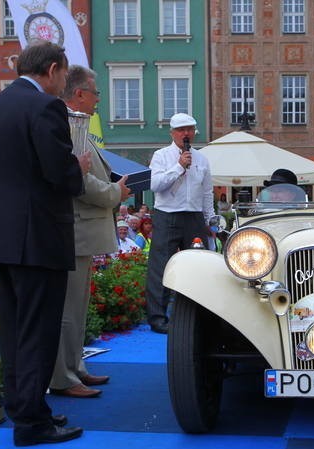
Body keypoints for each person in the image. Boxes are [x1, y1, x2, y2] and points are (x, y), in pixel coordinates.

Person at [0, 41, 88, 447]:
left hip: (0, 235)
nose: (63, 83)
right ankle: (32, 424)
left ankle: (24, 409)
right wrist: (77, 167)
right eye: (63, 75)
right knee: (38, 332)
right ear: (54, 69)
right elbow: (58, 173)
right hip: (37, 237)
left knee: (14, 329)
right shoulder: (45, 108)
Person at [50, 65, 131, 399]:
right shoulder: (71, 128)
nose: (99, 99)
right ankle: (63, 376)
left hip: (81, 232)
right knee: (68, 311)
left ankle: (75, 366)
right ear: (80, 94)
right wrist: (116, 194)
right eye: (96, 92)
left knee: (77, 309)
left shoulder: (77, 127)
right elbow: (79, 181)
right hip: (75, 231)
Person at [146, 113, 215, 334]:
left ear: (194, 131)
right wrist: (178, 167)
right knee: (161, 266)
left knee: (198, 267)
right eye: (181, 129)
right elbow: (155, 184)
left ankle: (198, 316)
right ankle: (158, 318)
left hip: (193, 216)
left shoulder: (202, 159)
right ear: (173, 133)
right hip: (167, 215)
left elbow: (207, 192)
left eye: (190, 129)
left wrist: (210, 220)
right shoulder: (161, 156)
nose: (186, 133)